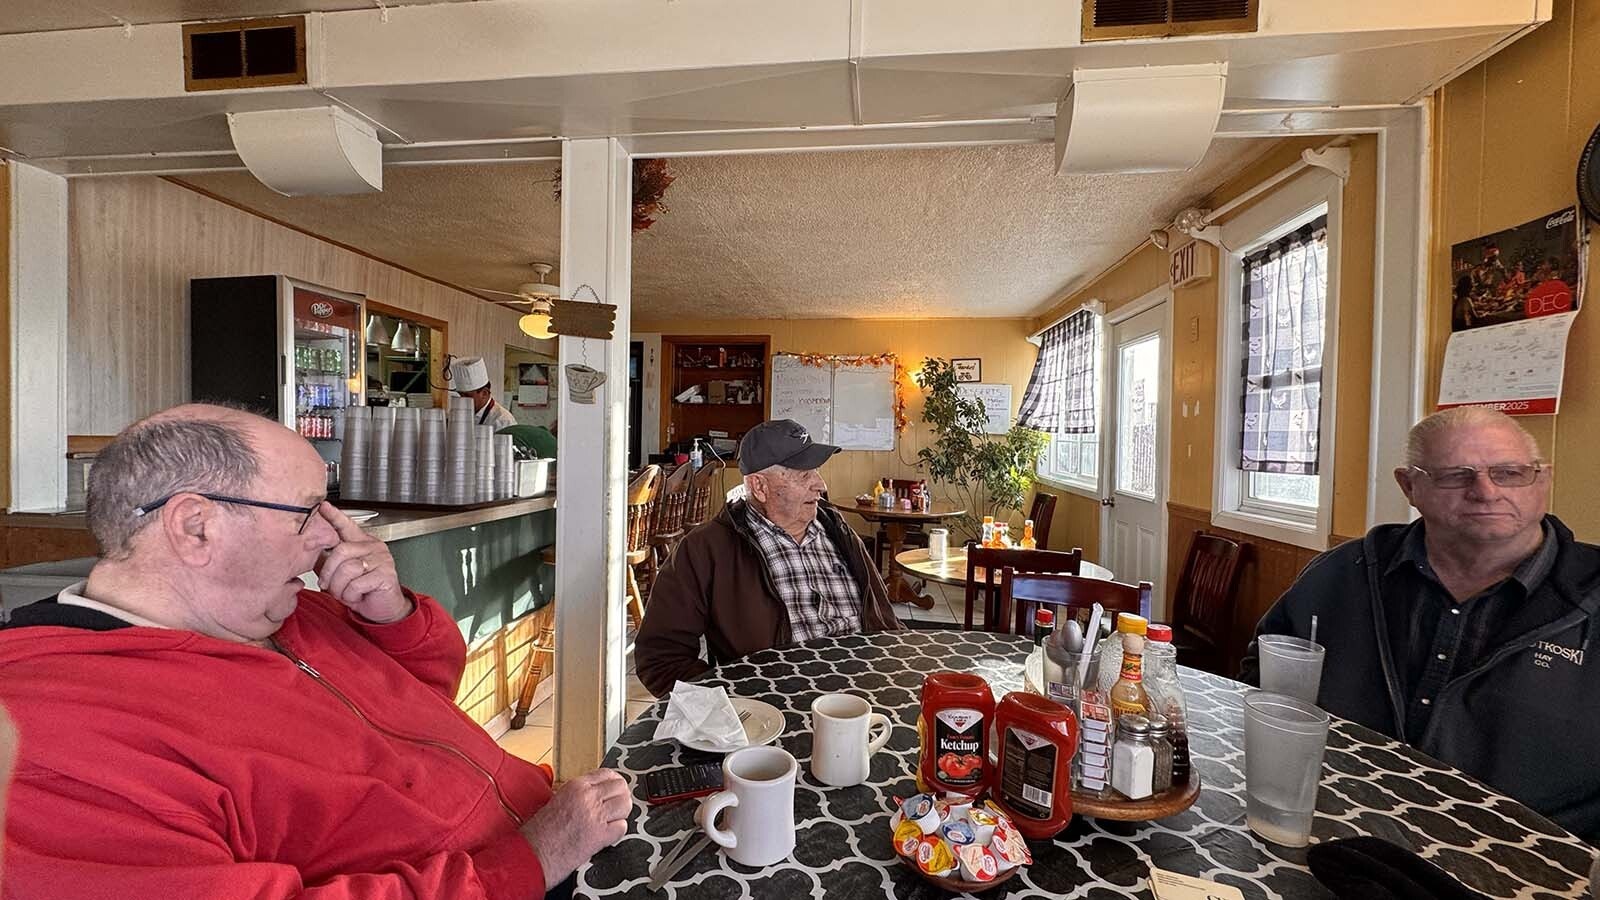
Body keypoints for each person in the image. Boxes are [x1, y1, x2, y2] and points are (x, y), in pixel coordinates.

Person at [0, 404, 627, 898]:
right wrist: (534, 859)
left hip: (541, 835)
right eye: (305, 513)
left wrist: (394, 616)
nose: (332, 535)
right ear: (195, 527)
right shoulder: (55, 745)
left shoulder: (286, 609)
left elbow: (421, 701)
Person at [1240, 407, 1600, 841]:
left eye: (1510, 473)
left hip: (1532, 863)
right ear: (1409, 486)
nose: (1485, 491)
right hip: (1335, 832)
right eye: (1456, 475)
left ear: (1543, 479)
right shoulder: (1343, 574)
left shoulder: (1587, 597)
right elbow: (1262, 676)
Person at [635, 419, 901, 697]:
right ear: (759, 486)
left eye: (817, 471)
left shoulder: (838, 530)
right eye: (803, 475)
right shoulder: (706, 549)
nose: (820, 485)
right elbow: (660, 656)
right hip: (776, 705)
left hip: (862, 695)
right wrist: (729, 707)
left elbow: (884, 619)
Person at [451, 356, 518, 429]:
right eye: (460, 395)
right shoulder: (462, 416)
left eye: (467, 395)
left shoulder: (503, 421)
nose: (462, 400)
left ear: (484, 393)